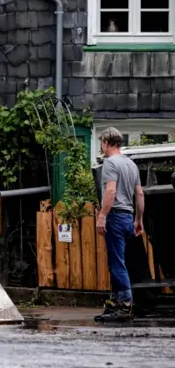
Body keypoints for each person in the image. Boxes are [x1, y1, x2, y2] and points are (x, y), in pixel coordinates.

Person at [95, 127, 144, 322]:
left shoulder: (110, 163)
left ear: (106, 142)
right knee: (118, 262)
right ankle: (115, 303)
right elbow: (139, 194)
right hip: (128, 217)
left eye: (102, 143)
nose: (102, 147)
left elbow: (110, 192)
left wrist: (102, 215)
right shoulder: (131, 165)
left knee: (117, 263)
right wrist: (138, 220)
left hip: (114, 216)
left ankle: (124, 305)